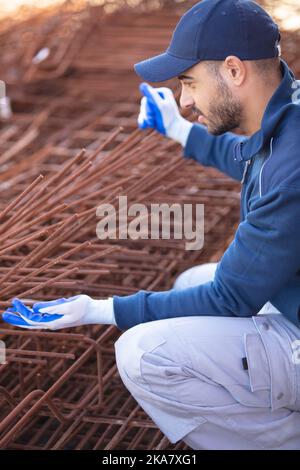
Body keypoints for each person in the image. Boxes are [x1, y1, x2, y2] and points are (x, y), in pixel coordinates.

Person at [2, 0, 300, 449]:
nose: (185, 101)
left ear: (234, 70)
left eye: (189, 82)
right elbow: (250, 158)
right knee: (190, 282)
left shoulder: (293, 166)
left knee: (141, 353)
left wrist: (98, 309)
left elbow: (230, 298)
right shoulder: (288, 118)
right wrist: (183, 134)